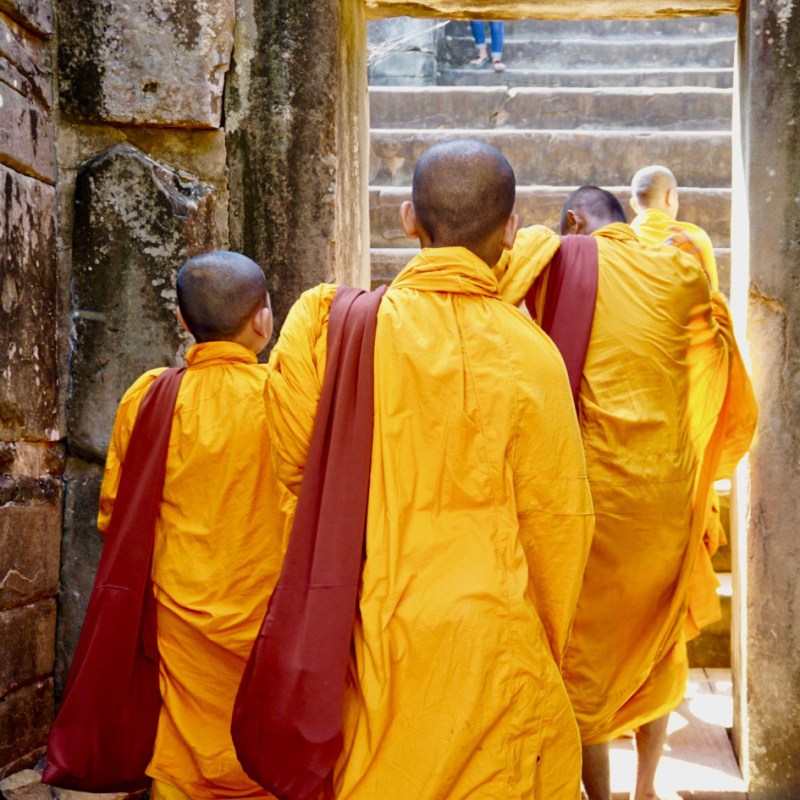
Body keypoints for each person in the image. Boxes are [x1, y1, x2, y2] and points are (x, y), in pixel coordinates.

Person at [265, 139, 594, 799]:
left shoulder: (332, 327)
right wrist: (542, 645)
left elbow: (291, 463)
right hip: (493, 637)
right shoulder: (533, 356)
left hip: (369, 631)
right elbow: (561, 524)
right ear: (510, 228)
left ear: (407, 218)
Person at [493, 187, 756, 800]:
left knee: (583, 660)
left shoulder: (556, 256)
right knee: (657, 649)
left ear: (577, 219)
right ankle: (646, 788)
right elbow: (710, 353)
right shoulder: (683, 267)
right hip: (668, 498)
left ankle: (601, 799)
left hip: (596, 500)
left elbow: (487, 296)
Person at [97, 252, 287, 800]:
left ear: (182, 322)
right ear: (262, 320)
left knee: (183, 740)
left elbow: (115, 512)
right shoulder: (284, 398)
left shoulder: (151, 395)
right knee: (264, 745)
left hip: (181, 604)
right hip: (265, 609)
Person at [630, 163, 729, 641]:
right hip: (681, 397)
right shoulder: (693, 242)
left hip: (628, 397)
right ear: (672, 199)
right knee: (683, 522)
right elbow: (709, 321)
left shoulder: (617, 246)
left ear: (634, 204)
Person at [630, 164, 719, 291]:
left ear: (633, 204)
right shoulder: (694, 238)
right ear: (670, 197)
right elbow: (710, 300)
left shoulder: (621, 241)